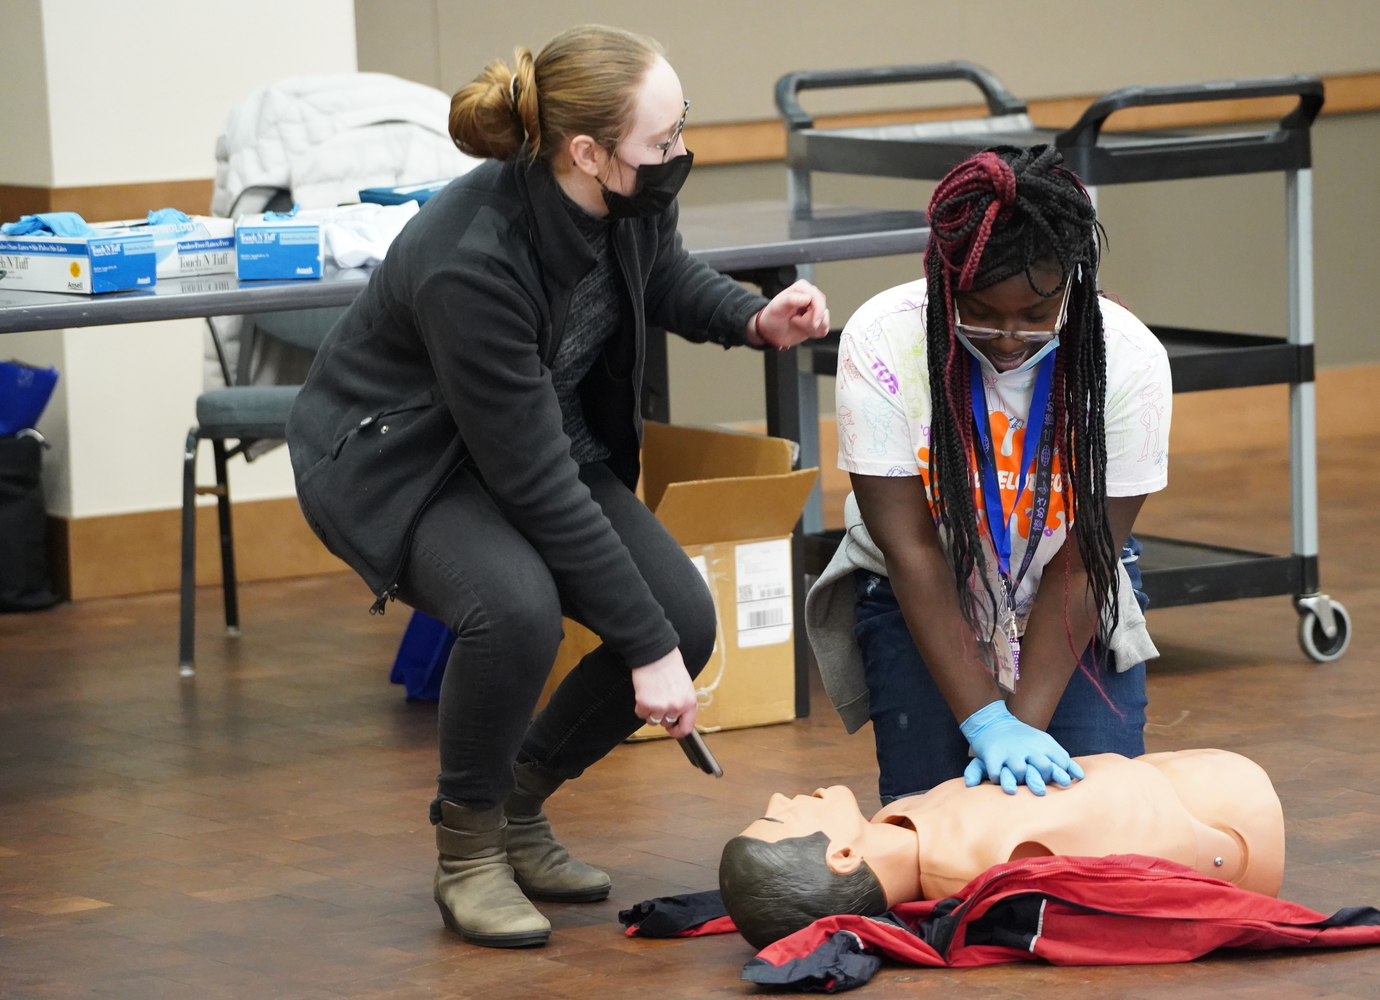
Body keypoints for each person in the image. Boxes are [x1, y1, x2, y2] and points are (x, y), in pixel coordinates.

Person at [286, 25, 830, 949]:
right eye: (662, 143)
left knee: (683, 618)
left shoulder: (626, 198)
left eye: (680, 130)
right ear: (587, 152)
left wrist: (752, 318)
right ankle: (466, 851)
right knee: (517, 610)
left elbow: (661, 277)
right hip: (398, 463)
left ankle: (516, 809)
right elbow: (531, 482)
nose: (680, 156)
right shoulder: (473, 259)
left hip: (529, 445)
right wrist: (646, 653)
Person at [807, 144, 1172, 805]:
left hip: (1071, 581)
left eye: (1036, 316)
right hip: (923, 584)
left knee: (1095, 823)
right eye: (982, 310)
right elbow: (910, 547)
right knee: (933, 826)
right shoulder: (885, 341)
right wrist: (985, 722)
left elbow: (1089, 559)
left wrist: (1020, 730)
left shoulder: (1129, 360)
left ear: (1071, 286)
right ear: (945, 283)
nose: (1008, 337)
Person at [720, 749, 1284, 948]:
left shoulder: (911, 826)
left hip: (1206, 798)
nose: (779, 796)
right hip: (1233, 821)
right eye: (778, 817)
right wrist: (1222, 850)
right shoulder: (975, 858)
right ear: (842, 855)